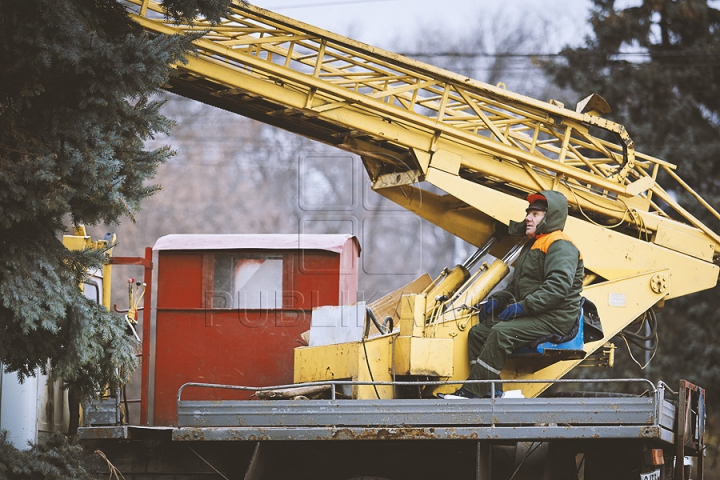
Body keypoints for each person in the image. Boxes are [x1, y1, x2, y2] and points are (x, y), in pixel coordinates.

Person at [446, 190, 584, 399]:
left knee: (502, 332)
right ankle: (492, 392)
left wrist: (523, 307)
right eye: (529, 212)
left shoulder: (560, 245)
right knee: (477, 334)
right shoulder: (532, 245)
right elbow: (516, 287)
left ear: (550, 216)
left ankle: (471, 392)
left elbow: (557, 287)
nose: (528, 217)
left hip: (555, 317)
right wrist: (496, 300)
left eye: (535, 214)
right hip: (537, 313)